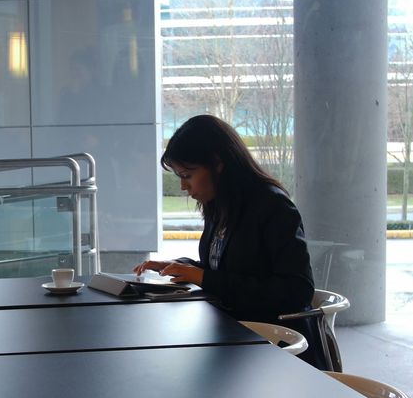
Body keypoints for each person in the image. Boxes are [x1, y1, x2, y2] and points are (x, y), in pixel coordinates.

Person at [133, 114, 322, 367]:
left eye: (187, 175)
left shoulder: (272, 205)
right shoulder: (220, 205)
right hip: (235, 341)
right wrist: (180, 266)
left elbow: (296, 291)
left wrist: (202, 277)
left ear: (217, 163)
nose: (183, 187)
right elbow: (227, 270)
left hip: (276, 352)